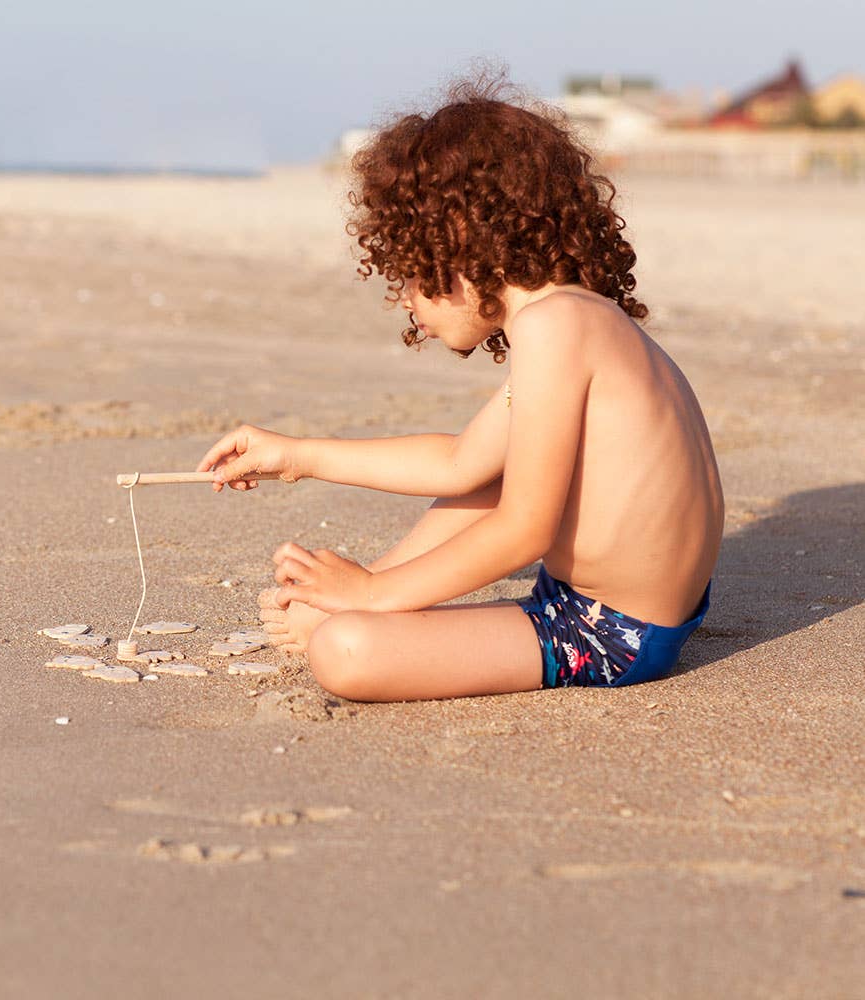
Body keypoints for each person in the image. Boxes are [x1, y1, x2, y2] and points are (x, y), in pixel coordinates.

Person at [196, 79, 723, 701]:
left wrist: (373, 596)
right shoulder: (577, 317)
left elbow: (525, 530)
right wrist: (296, 455)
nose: (406, 300)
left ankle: (356, 605)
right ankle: (353, 599)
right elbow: (460, 462)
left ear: (463, 249)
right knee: (489, 476)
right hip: (614, 605)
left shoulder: (554, 327)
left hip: (608, 633)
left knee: (345, 650)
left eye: (410, 273)